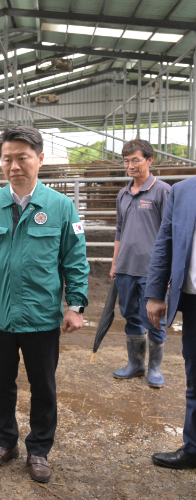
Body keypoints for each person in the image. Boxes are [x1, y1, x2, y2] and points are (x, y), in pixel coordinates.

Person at [0, 126, 89, 483]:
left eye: (23, 157)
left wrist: (75, 305)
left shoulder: (60, 206)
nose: (14, 165)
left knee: (43, 385)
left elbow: (75, 260)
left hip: (41, 316)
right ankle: (5, 442)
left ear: (40, 159)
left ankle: (39, 449)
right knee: (0, 382)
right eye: (8, 159)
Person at [110, 139, 170, 387]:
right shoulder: (123, 193)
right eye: (126, 161)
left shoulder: (162, 191)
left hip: (151, 270)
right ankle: (136, 363)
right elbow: (119, 231)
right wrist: (114, 264)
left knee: (154, 319)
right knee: (130, 315)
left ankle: (155, 368)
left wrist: (167, 273)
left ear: (149, 160)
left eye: (135, 159)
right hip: (125, 268)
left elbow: (170, 233)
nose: (130, 165)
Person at [145, 176, 196, 469]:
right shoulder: (183, 190)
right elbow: (165, 241)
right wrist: (155, 292)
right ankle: (193, 447)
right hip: (194, 303)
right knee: (195, 379)